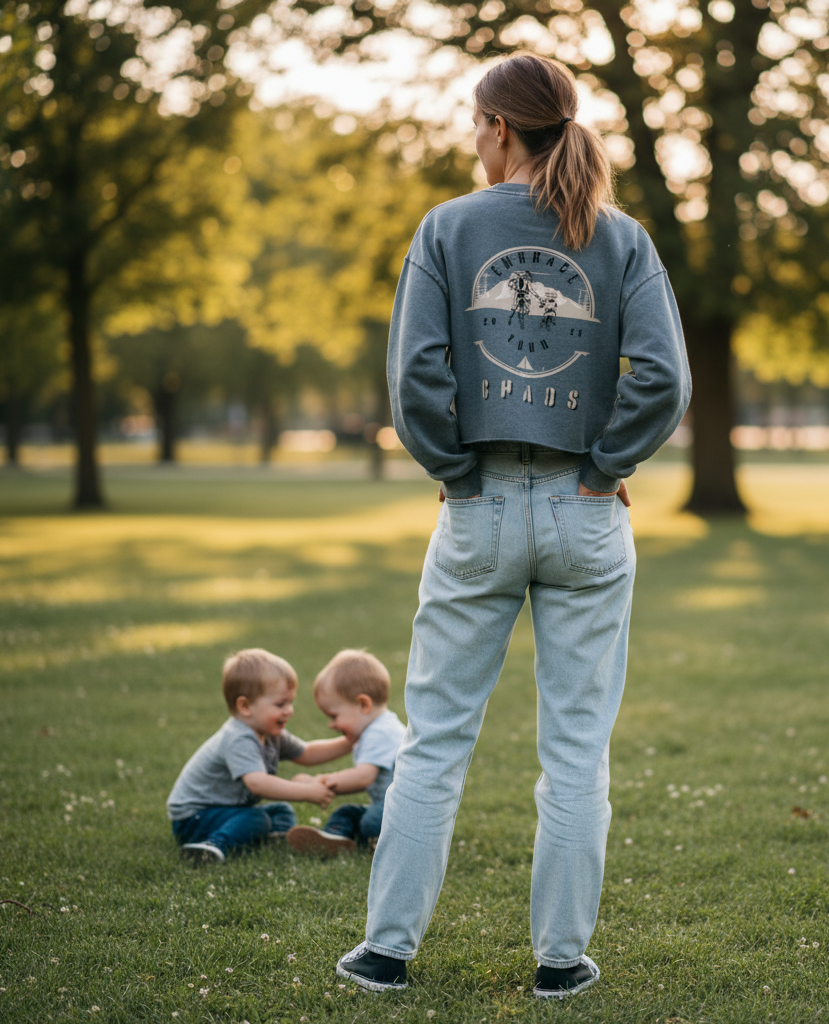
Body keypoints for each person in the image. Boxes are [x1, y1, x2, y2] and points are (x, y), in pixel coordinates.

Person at [336, 52, 691, 998]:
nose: (473, 138)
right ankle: (560, 964)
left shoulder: (447, 228)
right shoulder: (623, 239)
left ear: (499, 128)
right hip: (586, 510)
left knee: (437, 741)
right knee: (576, 750)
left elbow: (416, 376)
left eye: (474, 123)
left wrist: (455, 470)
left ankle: (386, 953)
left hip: (479, 505)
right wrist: (606, 465)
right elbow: (665, 377)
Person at [166, 648, 341, 863]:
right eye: (280, 704)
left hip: (226, 811)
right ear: (245, 706)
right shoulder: (239, 738)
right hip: (194, 818)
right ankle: (211, 847)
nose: (289, 710)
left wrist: (350, 741)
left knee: (282, 811)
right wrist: (307, 792)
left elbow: (306, 753)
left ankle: (266, 838)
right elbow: (258, 784)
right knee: (256, 818)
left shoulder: (270, 732)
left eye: (290, 702)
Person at [287, 649, 407, 855]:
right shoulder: (375, 728)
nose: (331, 725)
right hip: (387, 805)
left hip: (403, 810)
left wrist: (320, 782)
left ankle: (376, 842)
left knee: (370, 821)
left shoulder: (381, 732)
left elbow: (362, 777)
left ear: (363, 704)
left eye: (334, 716)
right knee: (347, 812)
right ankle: (334, 839)